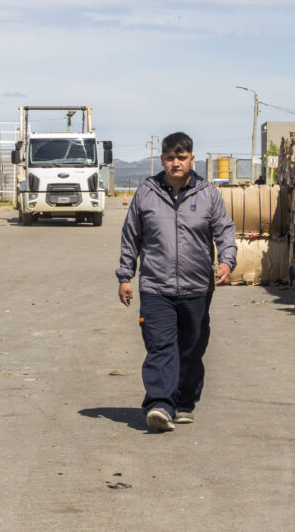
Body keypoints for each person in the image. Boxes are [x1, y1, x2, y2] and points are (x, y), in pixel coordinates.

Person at [116, 132, 237, 432]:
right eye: (170, 158)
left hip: (197, 287)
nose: (176, 163)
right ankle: (159, 404)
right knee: (160, 346)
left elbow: (225, 230)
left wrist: (226, 261)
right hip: (156, 286)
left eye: (181, 158)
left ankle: (184, 402)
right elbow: (131, 236)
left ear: (192, 159)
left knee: (192, 348)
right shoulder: (146, 193)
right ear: (162, 160)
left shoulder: (207, 194)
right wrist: (125, 276)